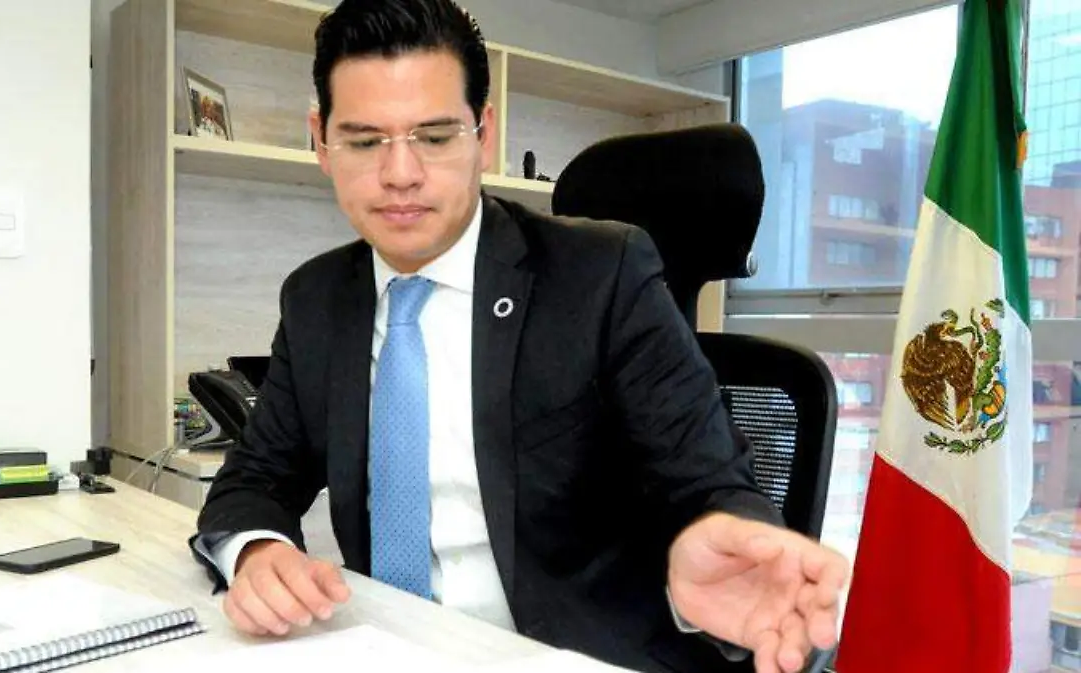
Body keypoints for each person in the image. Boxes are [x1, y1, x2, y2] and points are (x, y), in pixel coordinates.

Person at [189, 1, 848, 671]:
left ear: (485, 134)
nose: (400, 173)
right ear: (321, 142)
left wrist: (723, 543)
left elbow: (709, 483)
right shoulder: (316, 299)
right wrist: (257, 551)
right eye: (364, 141)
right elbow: (254, 478)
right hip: (386, 649)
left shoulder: (602, 275)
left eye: (435, 137)